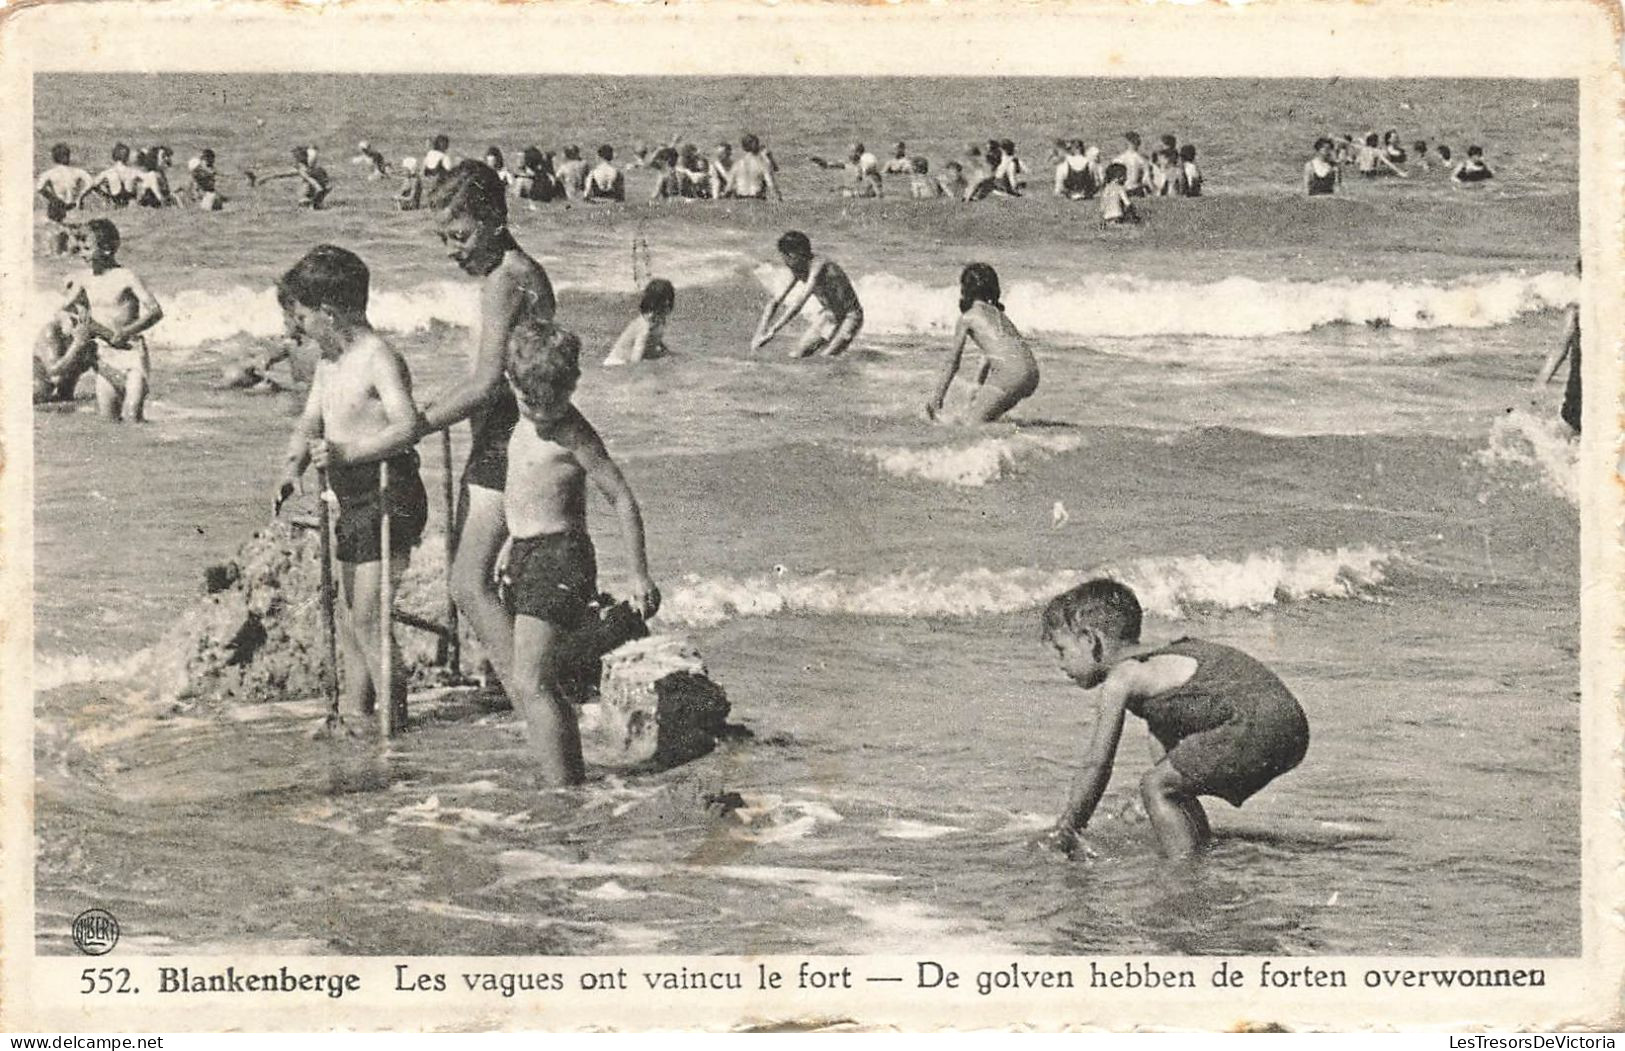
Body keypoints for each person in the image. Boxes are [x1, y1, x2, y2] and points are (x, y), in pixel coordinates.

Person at [1034, 579, 1310, 859]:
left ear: (1089, 640)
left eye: (1061, 650)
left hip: (1256, 723)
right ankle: (1197, 850)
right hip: (1289, 723)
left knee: (1155, 786)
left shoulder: (1123, 677)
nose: (1060, 663)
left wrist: (1068, 828)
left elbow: (1097, 764)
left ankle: (1184, 874)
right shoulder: (1161, 664)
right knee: (1167, 784)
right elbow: (1168, 758)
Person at [274, 245, 429, 733]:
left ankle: (394, 727)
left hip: (390, 491)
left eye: (301, 317)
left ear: (329, 312)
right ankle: (359, 715)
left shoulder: (376, 356)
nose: (297, 329)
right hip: (354, 498)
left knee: (369, 616)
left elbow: (408, 426)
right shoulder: (329, 364)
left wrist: (346, 454)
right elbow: (307, 422)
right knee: (351, 616)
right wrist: (290, 466)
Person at [418, 160, 557, 699]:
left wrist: (416, 426)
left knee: (467, 582)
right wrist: (435, 405)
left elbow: (485, 384)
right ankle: (516, 689)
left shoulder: (506, 281)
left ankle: (530, 698)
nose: (452, 250)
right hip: (506, 435)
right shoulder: (517, 271)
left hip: (506, 439)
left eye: (459, 235)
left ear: (496, 218)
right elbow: (489, 374)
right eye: (443, 239)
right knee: (473, 573)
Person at [500, 319, 659, 784]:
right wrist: (510, 543)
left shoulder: (574, 434)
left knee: (532, 681)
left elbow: (622, 497)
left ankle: (563, 788)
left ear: (573, 386)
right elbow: (525, 491)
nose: (544, 414)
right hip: (529, 553)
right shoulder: (524, 420)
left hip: (560, 557)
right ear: (511, 383)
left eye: (556, 403)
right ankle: (564, 776)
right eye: (533, 403)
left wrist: (639, 574)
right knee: (539, 678)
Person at [59, 219, 164, 422]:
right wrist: (71, 317)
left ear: (107, 249)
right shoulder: (83, 279)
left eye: (88, 248)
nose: (82, 254)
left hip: (132, 353)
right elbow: (63, 308)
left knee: (133, 416)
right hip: (105, 357)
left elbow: (155, 311)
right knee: (109, 421)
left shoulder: (126, 276)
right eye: (80, 248)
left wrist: (126, 331)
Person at [925, 263, 1039, 424]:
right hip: (1031, 375)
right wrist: (977, 389)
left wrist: (937, 399)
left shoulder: (968, 317)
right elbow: (989, 356)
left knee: (970, 426)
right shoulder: (999, 315)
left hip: (1010, 376)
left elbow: (952, 363)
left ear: (965, 289)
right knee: (986, 420)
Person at [751, 230, 864, 358]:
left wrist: (773, 331)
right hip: (830, 316)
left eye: (785, 258)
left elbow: (800, 302)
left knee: (827, 357)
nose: (785, 263)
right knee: (797, 355)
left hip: (850, 317)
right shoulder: (799, 268)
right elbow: (775, 302)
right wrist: (760, 333)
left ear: (794, 255)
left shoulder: (819, 265)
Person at [1533, 258, 1582, 434]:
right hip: (1581, 383)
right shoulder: (1577, 309)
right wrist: (1541, 381)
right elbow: (1560, 347)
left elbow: (1560, 347)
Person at [605, 279, 675, 365]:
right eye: (663, 304)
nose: (667, 304)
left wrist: (669, 354)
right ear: (653, 304)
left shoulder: (659, 320)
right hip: (617, 362)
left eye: (669, 301)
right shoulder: (644, 326)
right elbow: (635, 360)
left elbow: (655, 340)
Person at [33, 305, 94, 404]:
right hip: (39, 386)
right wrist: (77, 344)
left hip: (60, 385)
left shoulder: (82, 335)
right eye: (74, 320)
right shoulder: (50, 331)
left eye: (84, 320)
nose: (78, 324)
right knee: (41, 390)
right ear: (59, 316)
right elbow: (53, 370)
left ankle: (65, 394)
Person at [255, 147, 331, 208]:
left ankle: (311, 204)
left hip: (306, 200)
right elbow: (282, 174)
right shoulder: (318, 170)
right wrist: (264, 178)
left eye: (297, 160)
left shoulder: (304, 171)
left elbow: (318, 188)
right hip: (311, 199)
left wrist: (314, 203)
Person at [36, 143, 92, 225]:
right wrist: (80, 197)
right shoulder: (78, 172)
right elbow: (90, 182)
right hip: (73, 209)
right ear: (69, 157)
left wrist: (53, 199)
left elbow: (39, 188)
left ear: (53, 158)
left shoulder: (49, 174)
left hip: (58, 210)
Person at [86, 143, 140, 207]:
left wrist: (104, 195)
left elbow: (92, 184)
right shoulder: (134, 171)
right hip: (130, 201)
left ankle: (109, 201)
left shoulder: (108, 172)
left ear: (114, 156)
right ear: (127, 157)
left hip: (115, 200)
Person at [729, 134, 781, 201]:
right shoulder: (763, 164)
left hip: (740, 199)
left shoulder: (737, 164)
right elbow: (771, 184)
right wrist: (779, 198)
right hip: (757, 198)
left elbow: (729, 187)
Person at [1113, 132, 1152, 196]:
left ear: (1126, 143)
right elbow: (1146, 179)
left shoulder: (1118, 159)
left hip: (1122, 190)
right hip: (1136, 190)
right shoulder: (1142, 160)